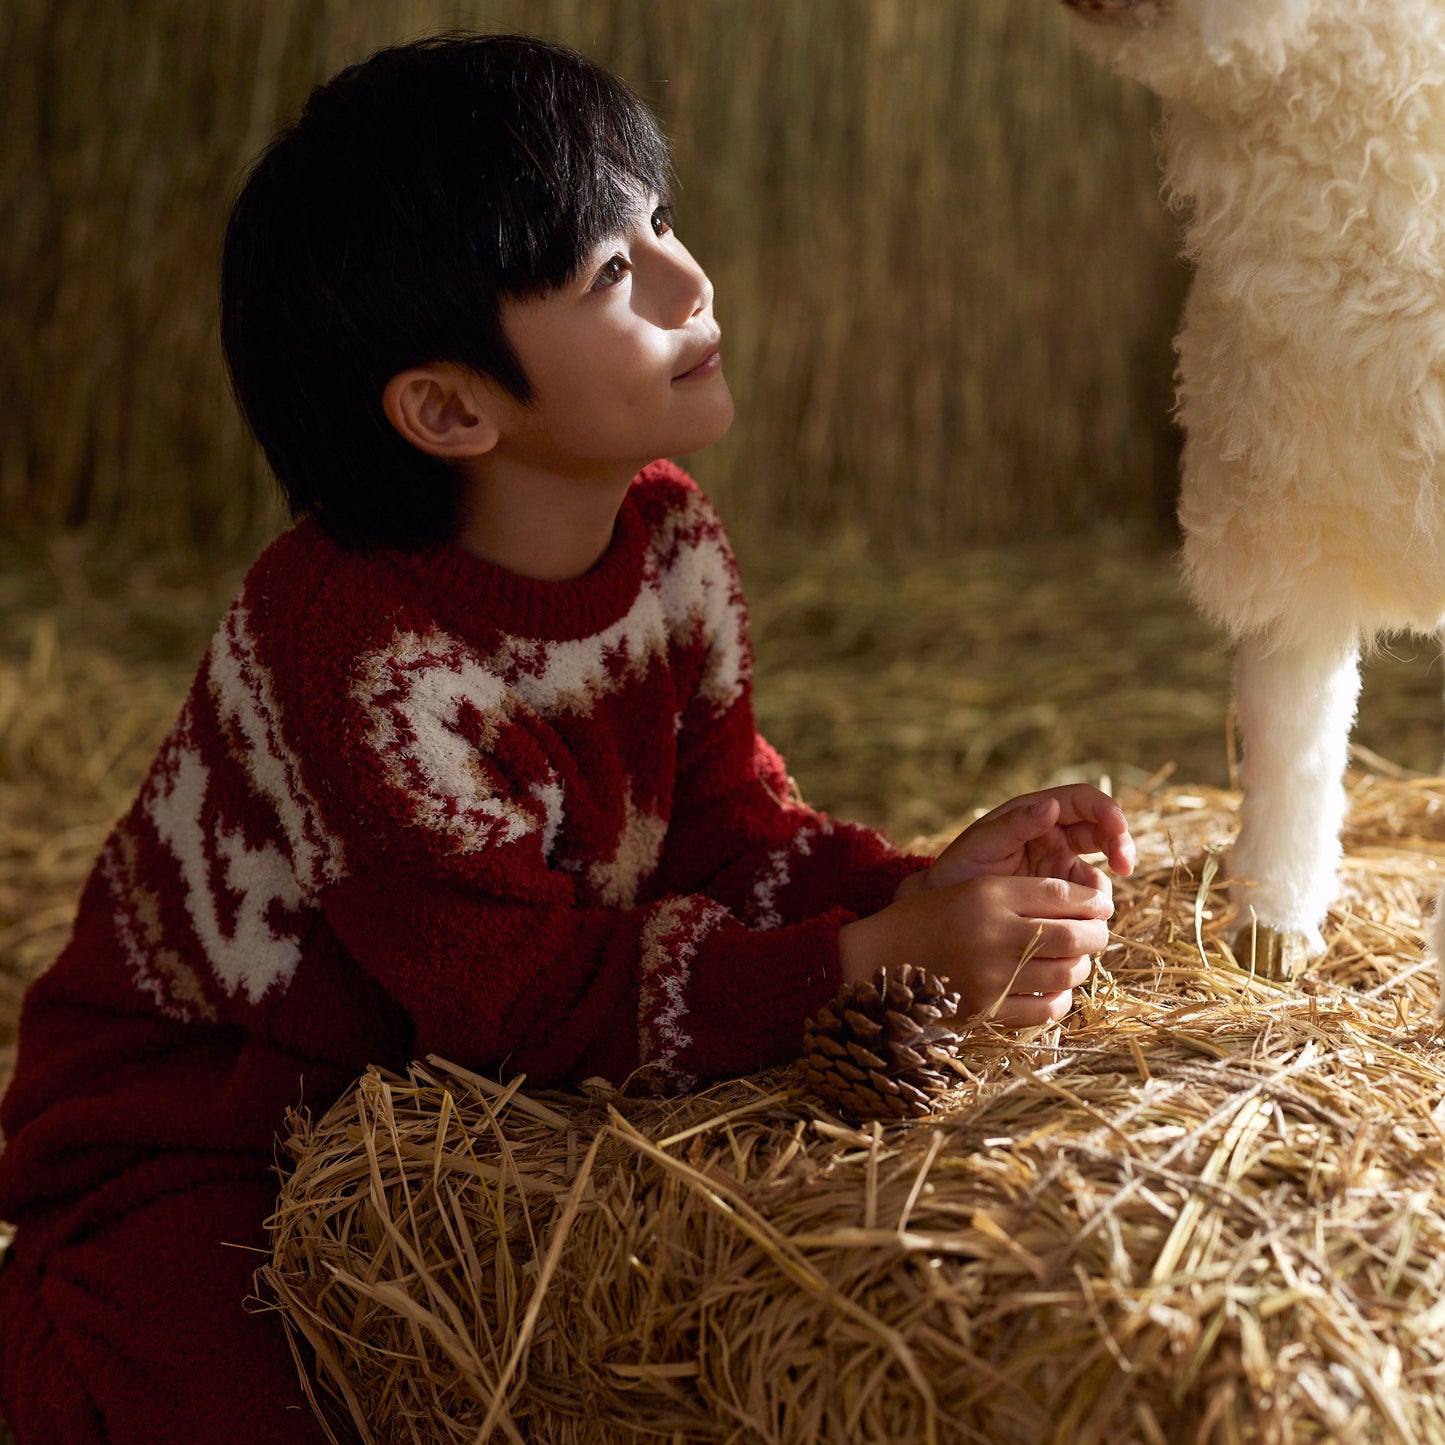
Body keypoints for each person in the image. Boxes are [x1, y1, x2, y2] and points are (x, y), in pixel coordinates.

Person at [0, 32, 1136, 1445]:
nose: (687, 278)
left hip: (410, 1096)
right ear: (451, 408)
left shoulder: (666, 541)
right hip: (197, 1130)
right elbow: (522, 1006)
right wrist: (862, 968)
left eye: (659, 222)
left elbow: (725, 832)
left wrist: (907, 891)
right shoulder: (357, 652)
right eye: (614, 272)